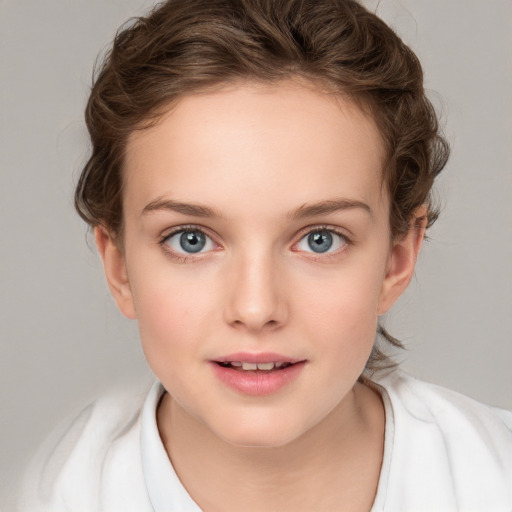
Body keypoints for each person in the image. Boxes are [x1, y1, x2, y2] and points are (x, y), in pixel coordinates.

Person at [15, 0, 512, 510]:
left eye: (320, 238)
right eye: (191, 239)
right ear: (119, 267)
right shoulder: (52, 495)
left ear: (396, 258)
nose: (255, 308)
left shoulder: (496, 477)